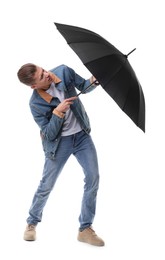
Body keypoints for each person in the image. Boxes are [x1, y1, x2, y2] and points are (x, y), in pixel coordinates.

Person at [17, 63, 104, 246]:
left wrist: (93, 81)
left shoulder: (63, 71)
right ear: (33, 86)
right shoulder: (36, 103)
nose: (47, 75)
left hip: (81, 137)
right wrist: (58, 112)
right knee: (46, 184)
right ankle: (31, 223)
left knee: (93, 178)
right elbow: (48, 133)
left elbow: (83, 87)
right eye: (41, 77)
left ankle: (85, 229)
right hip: (59, 145)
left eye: (44, 70)